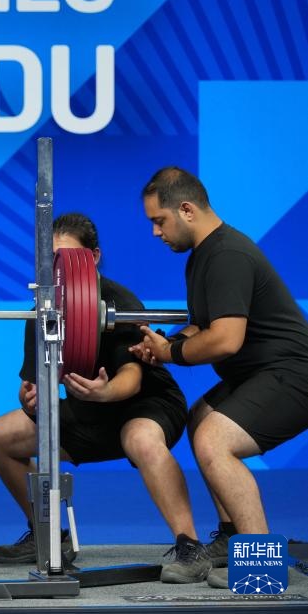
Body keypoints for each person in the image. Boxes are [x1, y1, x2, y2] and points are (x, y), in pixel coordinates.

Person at [0, 213, 210, 582]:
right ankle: (47, 536)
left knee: (140, 439)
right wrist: (29, 399)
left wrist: (104, 391)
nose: (59, 266)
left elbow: (131, 380)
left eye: (69, 256)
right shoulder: (43, 309)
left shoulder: (118, 300)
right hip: (88, 407)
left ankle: (190, 547)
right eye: (52, 257)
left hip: (144, 403)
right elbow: (32, 384)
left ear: (94, 257)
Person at [131, 166, 308, 588]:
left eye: (160, 220)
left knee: (215, 440)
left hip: (292, 373)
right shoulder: (203, 256)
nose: (156, 232)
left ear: (187, 210)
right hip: (259, 372)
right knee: (201, 418)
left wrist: (171, 353)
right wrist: (164, 345)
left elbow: (226, 339)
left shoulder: (228, 254)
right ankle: (231, 538)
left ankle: (263, 567)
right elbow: (203, 326)